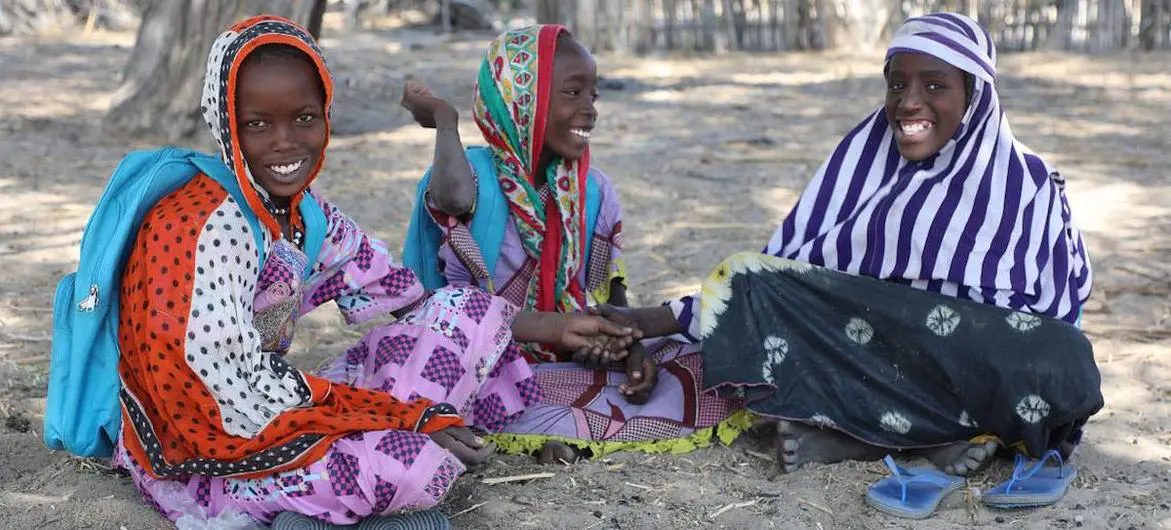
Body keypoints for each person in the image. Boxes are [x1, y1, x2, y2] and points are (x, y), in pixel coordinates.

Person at [110, 16, 637, 528]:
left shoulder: (306, 217)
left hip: (288, 411)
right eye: (257, 124)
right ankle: (316, 508)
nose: (285, 142)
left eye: (304, 118)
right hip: (208, 450)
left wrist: (553, 327)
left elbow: (410, 300)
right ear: (226, 122)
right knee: (410, 464)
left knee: (467, 310)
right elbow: (225, 398)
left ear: (325, 115)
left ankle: (316, 515)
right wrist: (398, 416)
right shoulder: (198, 228)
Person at [593, 12, 1102, 477]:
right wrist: (659, 317)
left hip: (968, 368)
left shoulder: (1029, 182)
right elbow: (788, 275)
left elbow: (1059, 307)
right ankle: (912, 438)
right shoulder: (862, 165)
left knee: (1065, 359)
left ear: (974, 97)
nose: (909, 102)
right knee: (747, 276)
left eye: (935, 85)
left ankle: (878, 435)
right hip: (866, 354)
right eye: (897, 84)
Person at [401, 25, 744, 464]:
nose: (589, 110)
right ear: (522, 102)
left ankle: (550, 427)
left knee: (699, 359)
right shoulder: (473, 176)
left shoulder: (594, 190)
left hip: (571, 353)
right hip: (477, 356)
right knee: (440, 379)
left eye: (593, 96)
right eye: (572, 93)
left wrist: (629, 346)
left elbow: (609, 292)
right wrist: (445, 122)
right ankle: (548, 428)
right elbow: (450, 199)